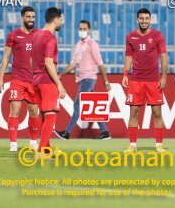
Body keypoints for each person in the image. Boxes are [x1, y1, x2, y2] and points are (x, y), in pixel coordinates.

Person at [55, 20, 112, 140]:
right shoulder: (78, 44)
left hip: (88, 78)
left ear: (89, 29)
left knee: (77, 104)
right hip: (82, 79)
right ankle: (105, 131)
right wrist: (62, 74)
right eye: (80, 29)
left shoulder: (92, 44)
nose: (82, 31)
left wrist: (106, 82)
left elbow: (100, 64)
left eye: (84, 29)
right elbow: (73, 64)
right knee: (92, 106)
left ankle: (67, 133)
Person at [122, 8, 168, 153]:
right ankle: (132, 145)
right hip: (136, 80)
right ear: (137, 20)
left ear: (150, 20)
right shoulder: (130, 37)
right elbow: (128, 56)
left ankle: (159, 145)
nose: (144, 21)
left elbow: (163, 56)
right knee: (133, 112)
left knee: (157, 112)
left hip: (154, 80)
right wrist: (125, 74)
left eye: (147, 18)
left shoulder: (157, 35)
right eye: (141, 18)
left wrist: (164, 76)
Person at [0, 6, 41, 152]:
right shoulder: (14, 35)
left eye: (33, 17)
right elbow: (6, 57)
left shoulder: (39, 35)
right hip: (17, 78)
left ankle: (33, 142)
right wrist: (0, 78)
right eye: (28, 17)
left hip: (33, 80)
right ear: (22, 18)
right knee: (15, 109)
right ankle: (13, 144)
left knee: (34, 111)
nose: (31, 20)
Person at [31, 7, 66, 153]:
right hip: (47, 81)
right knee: (51, 116)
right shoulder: (50, 38)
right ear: (56, 20)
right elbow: (48, 62)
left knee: (45, 116)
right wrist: (59, 84)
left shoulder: (36, 35)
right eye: (61, 20)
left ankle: (47, 149)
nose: (62, 23)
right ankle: (41, 151)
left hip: (36, 80)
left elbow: (32, 60)